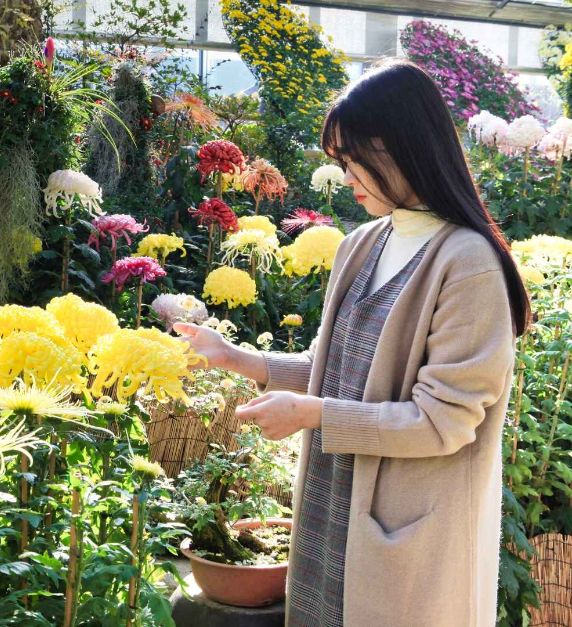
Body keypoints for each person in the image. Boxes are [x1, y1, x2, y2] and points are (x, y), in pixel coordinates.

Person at [175, 60, 529, 627]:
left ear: (399, 148)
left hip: (408, 537)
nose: (346, 177)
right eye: (340, 162)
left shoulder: (468, 264)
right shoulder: (362, 244)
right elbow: (331, 367)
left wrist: (312, 414)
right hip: (328, 512)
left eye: (352, 160)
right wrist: (237, 357)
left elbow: (444, 422)